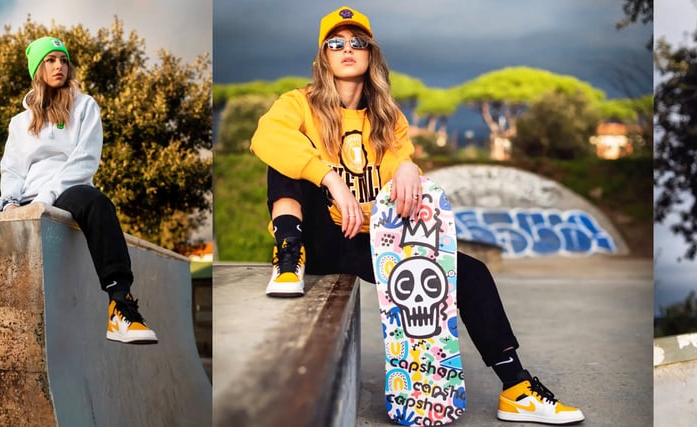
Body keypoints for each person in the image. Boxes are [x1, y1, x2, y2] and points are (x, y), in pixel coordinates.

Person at [249, 7, 584, 424]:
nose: (347, 49)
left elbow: (403, 182)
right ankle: (288, 254)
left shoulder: (389, 120)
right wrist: (330, 177)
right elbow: (266, 136)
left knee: (473, 273)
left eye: (358, 42)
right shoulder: (298, 104)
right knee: (283, 152)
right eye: (336, 43)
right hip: (318, 237)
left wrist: (409, 168)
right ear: (323, 58)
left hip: (371, 241)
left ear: (371, 54)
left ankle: (516, 386)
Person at [0, 35, 158, 408]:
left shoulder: (85, 107)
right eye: (50, 60)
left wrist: (45, 199)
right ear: (37, 69)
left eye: (64, 60)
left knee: (97, 202)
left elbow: (84, 161)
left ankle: (120, 306)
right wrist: (8, 204)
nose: (59, 66)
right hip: (23, 198)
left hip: (68, 192)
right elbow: (11, 169)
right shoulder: (19, 122)